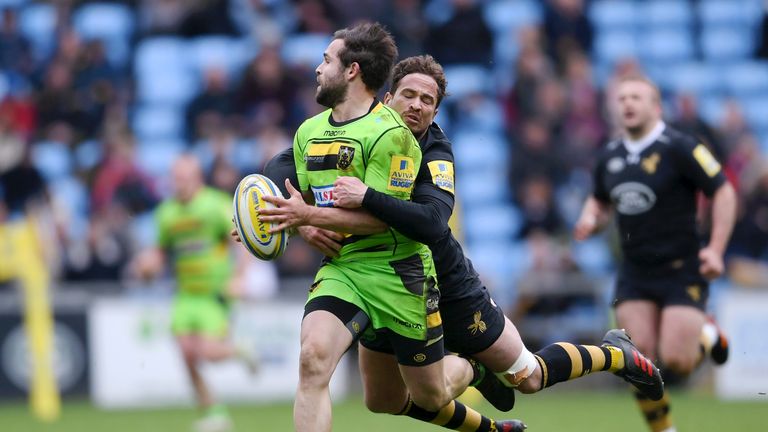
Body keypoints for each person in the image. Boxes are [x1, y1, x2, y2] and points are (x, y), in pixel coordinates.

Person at [258, 55, 664, 430]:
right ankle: (490, 425)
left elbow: (433, 221)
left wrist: (362, 198)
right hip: (372, 274)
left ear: (436, 112)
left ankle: (614, 353)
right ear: (387, 98)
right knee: (382, 400)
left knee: (528, 376)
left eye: (427, 101)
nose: (416, 106)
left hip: (445, 284)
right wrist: (295, 221)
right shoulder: (356, 128)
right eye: (409, 95)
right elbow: (285, 163)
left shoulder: (434, 149)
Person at [256, 23, 520, 432]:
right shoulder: (310, 131)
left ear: (351, 71)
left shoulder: (393, 136)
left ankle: (469, 368)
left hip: (400, 274)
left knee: (427, 395)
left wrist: (305, 217)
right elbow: (296, 195)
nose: (317, 68)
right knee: (312, 360)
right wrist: (271, 222)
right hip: (344, 269)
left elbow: (382, 218)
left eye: (326, 60)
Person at [574, 76, 736, 432]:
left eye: (637, 97)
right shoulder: (611, 155)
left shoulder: (681, 147)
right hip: (634, 271)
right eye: (623, 98)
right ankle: (664, 430)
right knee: (636, 362)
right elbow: (600, 199)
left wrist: (716, 249)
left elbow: (722, 191)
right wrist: (590, 218)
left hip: (681, 268)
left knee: (677, 361)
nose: (628, 104)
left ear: (656, 106)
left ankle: (706, 332)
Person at [133, 155, 257, 432]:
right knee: (187, 354)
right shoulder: (166, 213)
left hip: (214, 292)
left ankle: (240, 350)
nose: (179, 184)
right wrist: (147, 266)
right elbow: (159, 251)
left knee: (208, 352)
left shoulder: (215, 205)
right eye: (175, 179)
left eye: (184, 178)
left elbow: (241, 242)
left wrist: (239, 278)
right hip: (186, 293)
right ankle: (214, 412)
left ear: (197, 177)